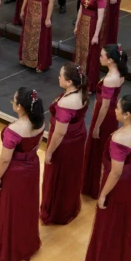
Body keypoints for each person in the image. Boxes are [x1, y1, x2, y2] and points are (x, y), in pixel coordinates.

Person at [83, 95, 131, 261]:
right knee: (123, 222)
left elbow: (116, 171)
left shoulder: (120, 137)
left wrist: (103, 194)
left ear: (127, 114)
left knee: (110, 223)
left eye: (118, 108)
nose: (115, 110)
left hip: (118, 184)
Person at [0, 88, 45, 261]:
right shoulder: (40, 122)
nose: (12, 103)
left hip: (16, 172)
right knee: (27, 205)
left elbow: (5, 159)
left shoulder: (14, 131)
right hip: (32, 167)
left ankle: (11, 247)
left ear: (20, 107)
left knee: (12, 208)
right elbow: (35, 146)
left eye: (13, 101)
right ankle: (26, 242)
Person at [41, 63, 89, 225]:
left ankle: (57, 211)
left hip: (65, 142)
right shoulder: (82, 92)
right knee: (71, 173)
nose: (58, 77)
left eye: (61, 76)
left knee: (58, 174)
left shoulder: (67, 103)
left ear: (69, 82)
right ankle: (68, 205)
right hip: (78, 136)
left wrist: (49, 152)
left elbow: (60, 132)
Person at [82, 44, 127, 199]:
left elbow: (105, 104)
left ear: (110, 60)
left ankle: (93, 185)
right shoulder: (119, 74)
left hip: (104, 115)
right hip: (110, 114)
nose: (99, 58)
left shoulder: (110, 79)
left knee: (98, 148)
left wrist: (96, 126)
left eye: (102, 56)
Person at [18, 0, 56, 72]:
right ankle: (26, 58)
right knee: (29, 32)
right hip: (31, 8)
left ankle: (40, 63)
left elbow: (51, 2)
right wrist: (23, 8)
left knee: (40, 36)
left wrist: (48, 18)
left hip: (42, 10)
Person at [74, 0, 107, 93]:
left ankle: (88, 83)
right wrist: (77, 25)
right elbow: (81, 9)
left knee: (90, 54)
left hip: (92, 25)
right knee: (80, 50)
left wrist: (96, 35)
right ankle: (77, 79)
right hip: (83, 22)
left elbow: (100, 18)